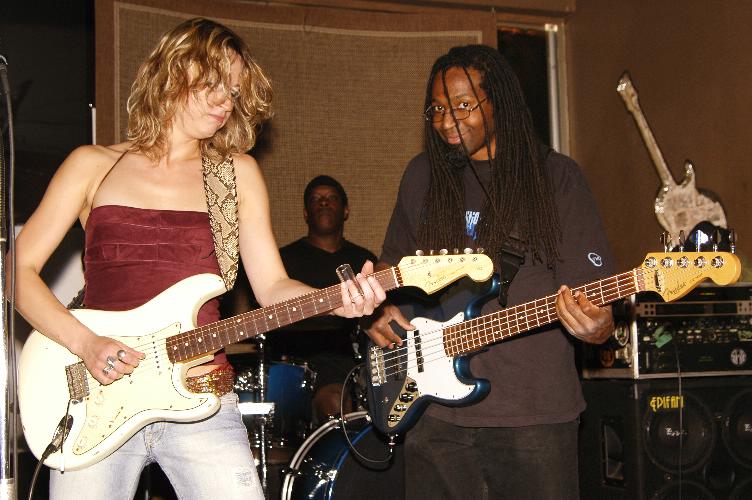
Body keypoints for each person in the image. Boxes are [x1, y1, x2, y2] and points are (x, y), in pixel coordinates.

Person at [14, 18, 385, 500]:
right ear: (171, 72)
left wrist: (335, 300)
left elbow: (272, 287)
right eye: (213, 83)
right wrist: (85, 343)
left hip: (202, 399)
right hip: (98, 399)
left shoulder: (236, 175)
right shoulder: (92, 165)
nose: (225, 101)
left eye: (234, 90)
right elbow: (17, 272)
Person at [362, 44, 615, 500]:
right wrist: (378, 305)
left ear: (499, 101)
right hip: (432, 414)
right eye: (438, 109)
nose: (447, 122)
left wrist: (598, 327)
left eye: (463, 106)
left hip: (533, 414)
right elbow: (392, 264)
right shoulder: (422, 176)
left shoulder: (555, 178)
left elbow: (592, 297)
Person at [273, 175, 377, 423]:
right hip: (293, 359)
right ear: (305, 213)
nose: (323, 203)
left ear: (346, 210)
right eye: (316, 199)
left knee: (337, 402)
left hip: (347, 358)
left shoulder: (363, 260)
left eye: (332, 198)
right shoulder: (282, 260)